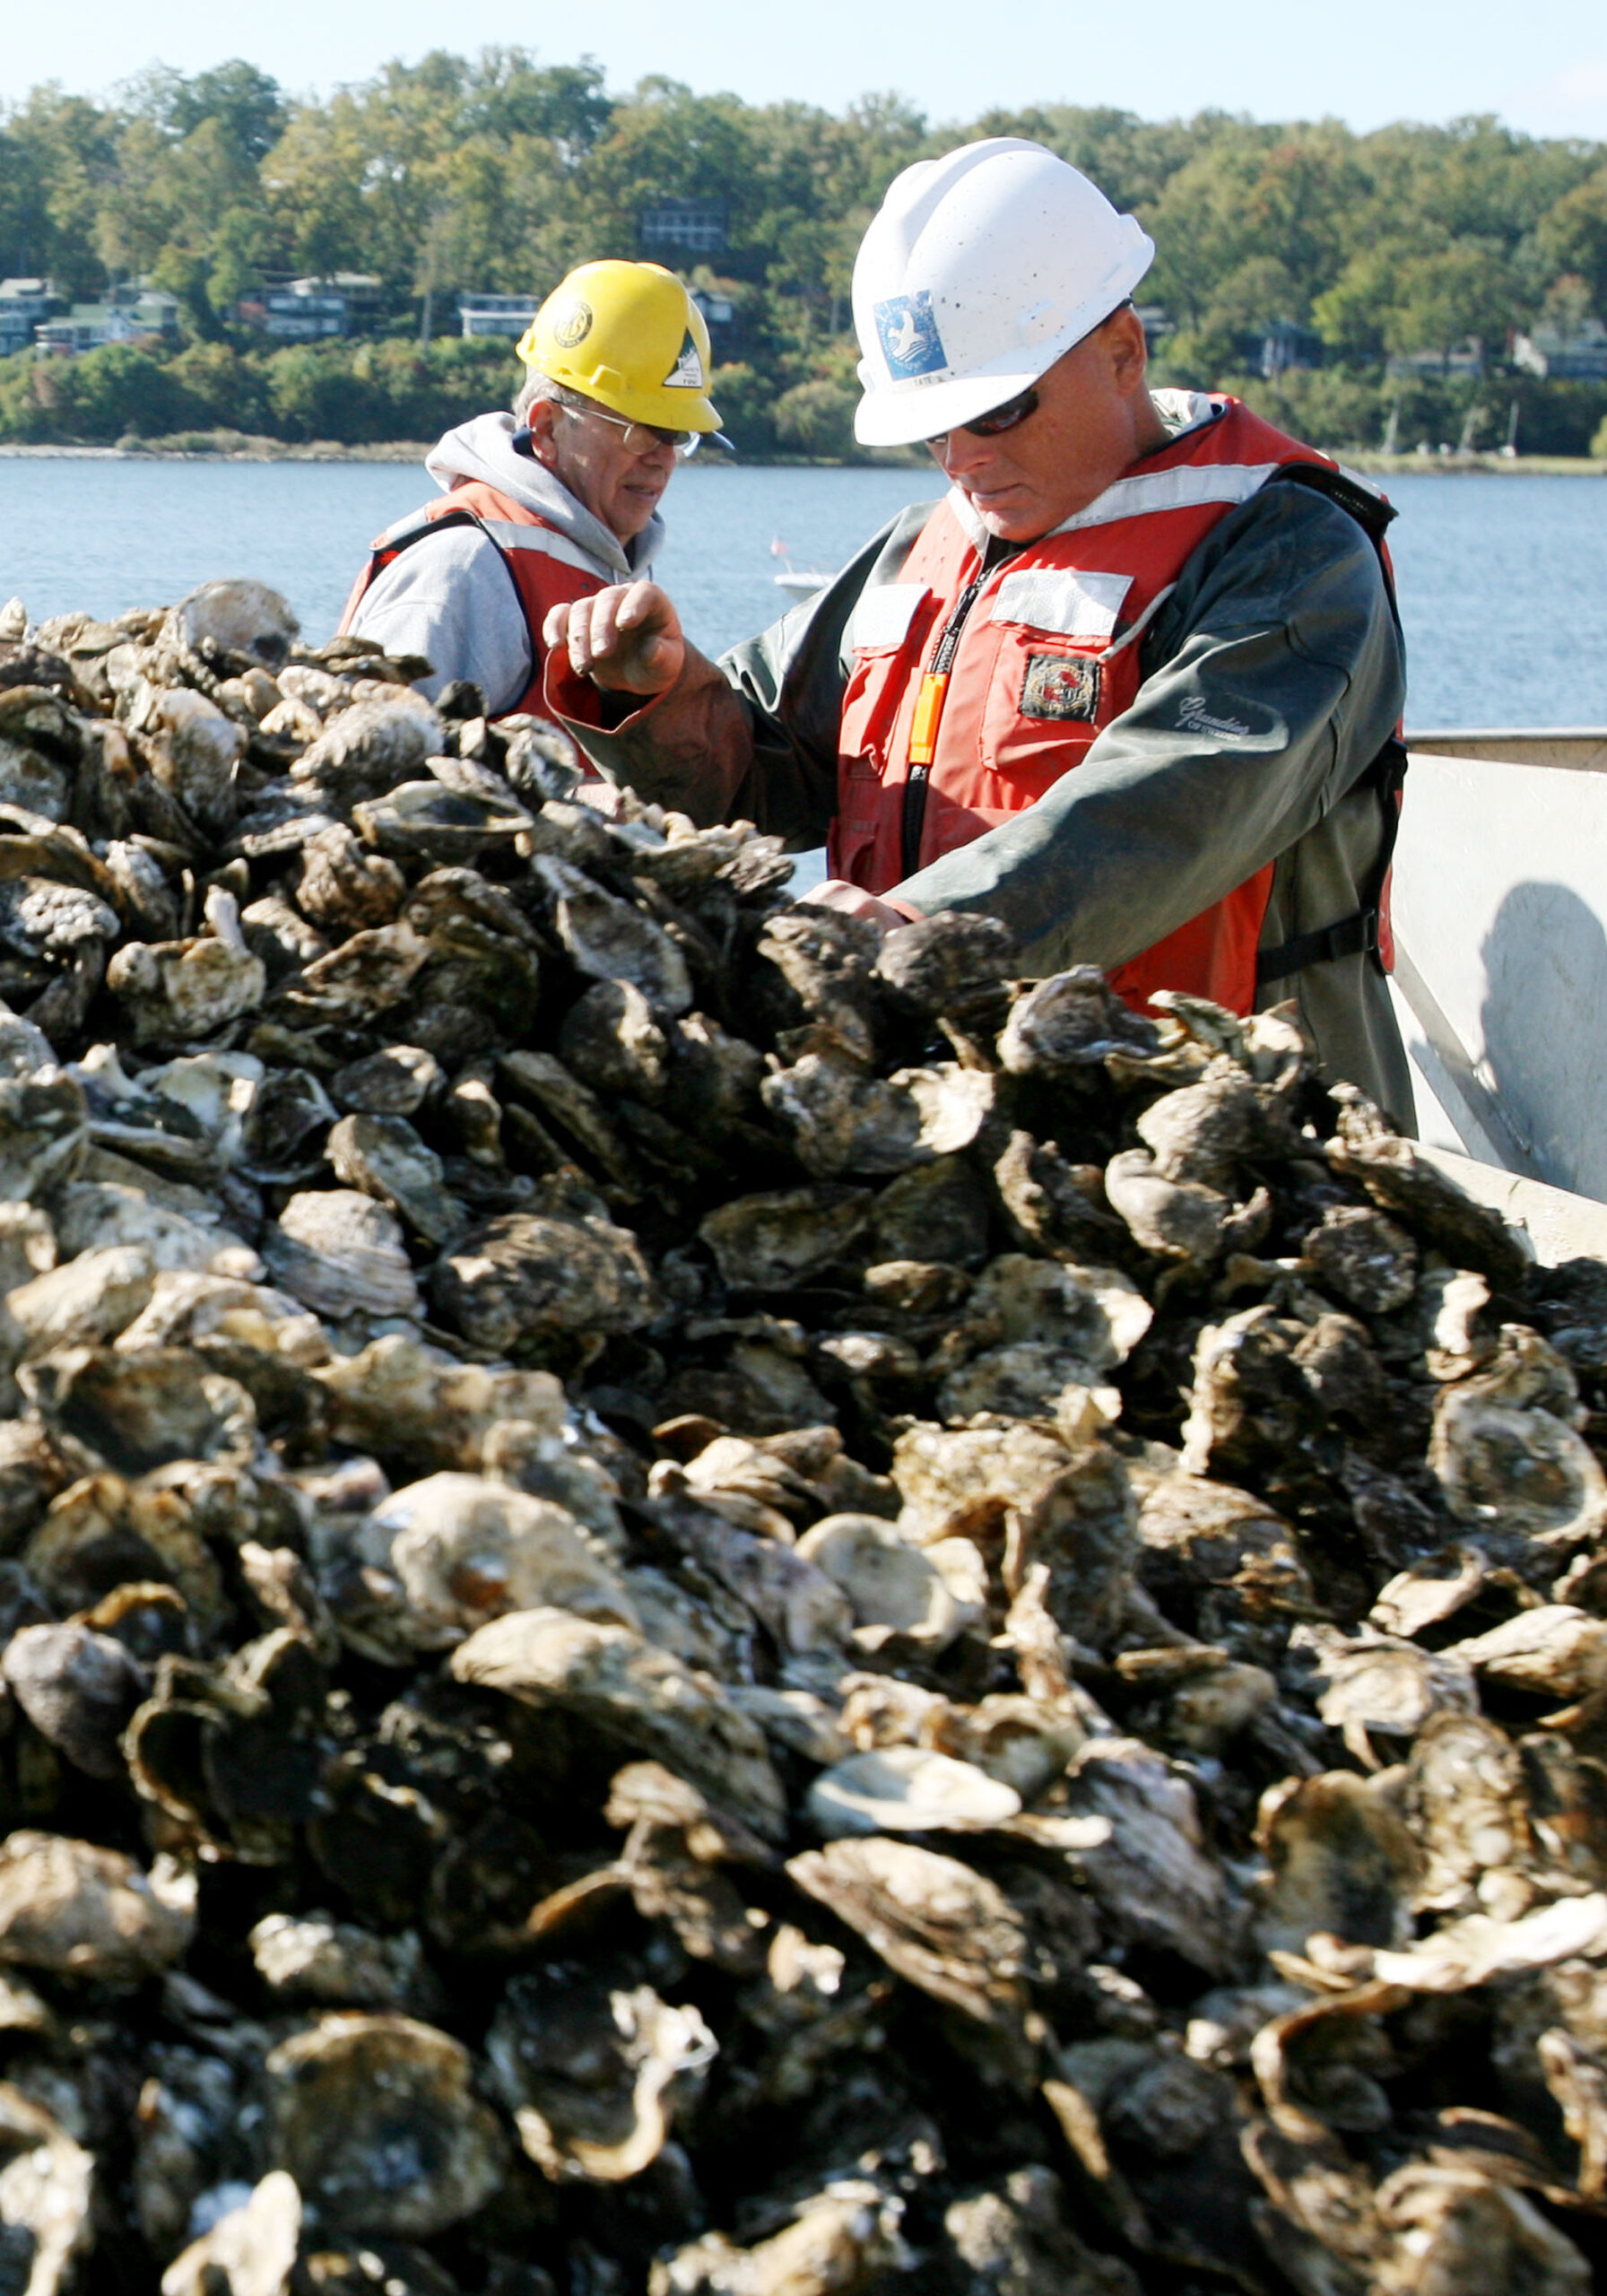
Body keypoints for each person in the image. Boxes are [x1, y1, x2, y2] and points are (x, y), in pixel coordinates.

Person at [541, 140, 1413, 1125]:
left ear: (1121, 350)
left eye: (996, 411)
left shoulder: (1289, 548)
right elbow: (768, 771)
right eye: (932, 427)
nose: (959, 458)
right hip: (956, 1114)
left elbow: (1179, 799)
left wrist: (920, 929)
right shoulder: (921, 549)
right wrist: (653, 695)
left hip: (1235, 1129)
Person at [339, 260, 726, 715]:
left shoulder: (608, 563)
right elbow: (371, 762)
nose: (662, 458)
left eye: (677, 435)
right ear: (546, 429)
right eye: (640, 429)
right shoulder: (461, 569)